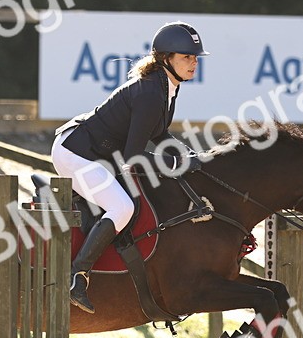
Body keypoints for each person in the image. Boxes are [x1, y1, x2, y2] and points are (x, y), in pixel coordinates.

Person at [51, 21, 208, 314]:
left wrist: (187, 154)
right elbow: (132, 157)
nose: (194, 63)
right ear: (166, 59)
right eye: (187, 57)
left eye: (195, 57)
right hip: (75, 153)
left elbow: (158, 133)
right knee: (122, 208)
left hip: (96, 151)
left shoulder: (166, 86)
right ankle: (77, 276)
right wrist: (176, 163)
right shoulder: (150, 93)